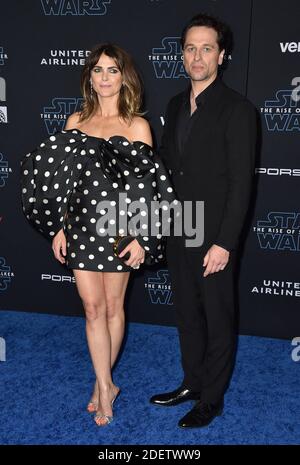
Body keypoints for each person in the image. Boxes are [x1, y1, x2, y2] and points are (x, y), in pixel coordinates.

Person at [21, 43, 175, 426]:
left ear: (125, 77)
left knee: (111, 307)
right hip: (80, 226)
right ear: (89, 77)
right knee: (91, 308)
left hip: (120, 228)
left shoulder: (137, 125)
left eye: (112, 70)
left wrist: (141, 237)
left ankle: (102, 384)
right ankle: (106, 384)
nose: (105, 78)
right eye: (98, 70)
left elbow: (145, 188)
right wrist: (58, 226)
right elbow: (61, 184)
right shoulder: (75, 121)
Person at [150, 13, 257, 428]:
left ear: (222, 55)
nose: (197, 56)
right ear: (182, 54)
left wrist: (225, 242)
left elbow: (240, 184)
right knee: (187, 314)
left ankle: (212, 398)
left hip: (213, 234)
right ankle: (192, 382)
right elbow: (167, 170)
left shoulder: (238, 110)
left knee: (217, 316)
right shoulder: (176, 104)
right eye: (190, 48)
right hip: (180, 226)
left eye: (206, 48)